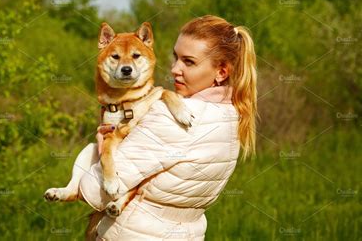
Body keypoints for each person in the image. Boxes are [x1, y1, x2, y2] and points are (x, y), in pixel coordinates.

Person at [79, 15, 258, 240]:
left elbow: (94, 192)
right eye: (176, 58)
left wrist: (102, 145)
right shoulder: (232, 117)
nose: (174, 69)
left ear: (222, 72)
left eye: (189, 62)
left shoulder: (171, 116)